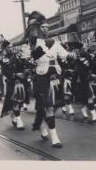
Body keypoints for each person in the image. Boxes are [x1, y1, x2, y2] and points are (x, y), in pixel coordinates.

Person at [25, 11, 76, 148]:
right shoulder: (33, 42)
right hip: (42, 76)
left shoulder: (55, 42)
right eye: (43, 27)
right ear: (38, 28)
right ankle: (54, 137)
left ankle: (41, 123)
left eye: (47, 27)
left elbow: (64, 55)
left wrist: (71, 55)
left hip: (56, 75)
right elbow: (33, 55)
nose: (46, 29)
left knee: (57, 105)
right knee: (48, 106)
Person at [0, 40, 27, 130]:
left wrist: (26, 69)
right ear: (5, 49)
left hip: (21, 81)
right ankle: (19, 120)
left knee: (20, 101)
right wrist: (16, 75)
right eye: (8, 47)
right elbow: (5, 72)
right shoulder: (4, 59)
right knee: (15, 101)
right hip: (12, 82)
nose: (10, 48)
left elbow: (23, 66)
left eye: (11, 46)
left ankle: (14, 115)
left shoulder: (18, 55)